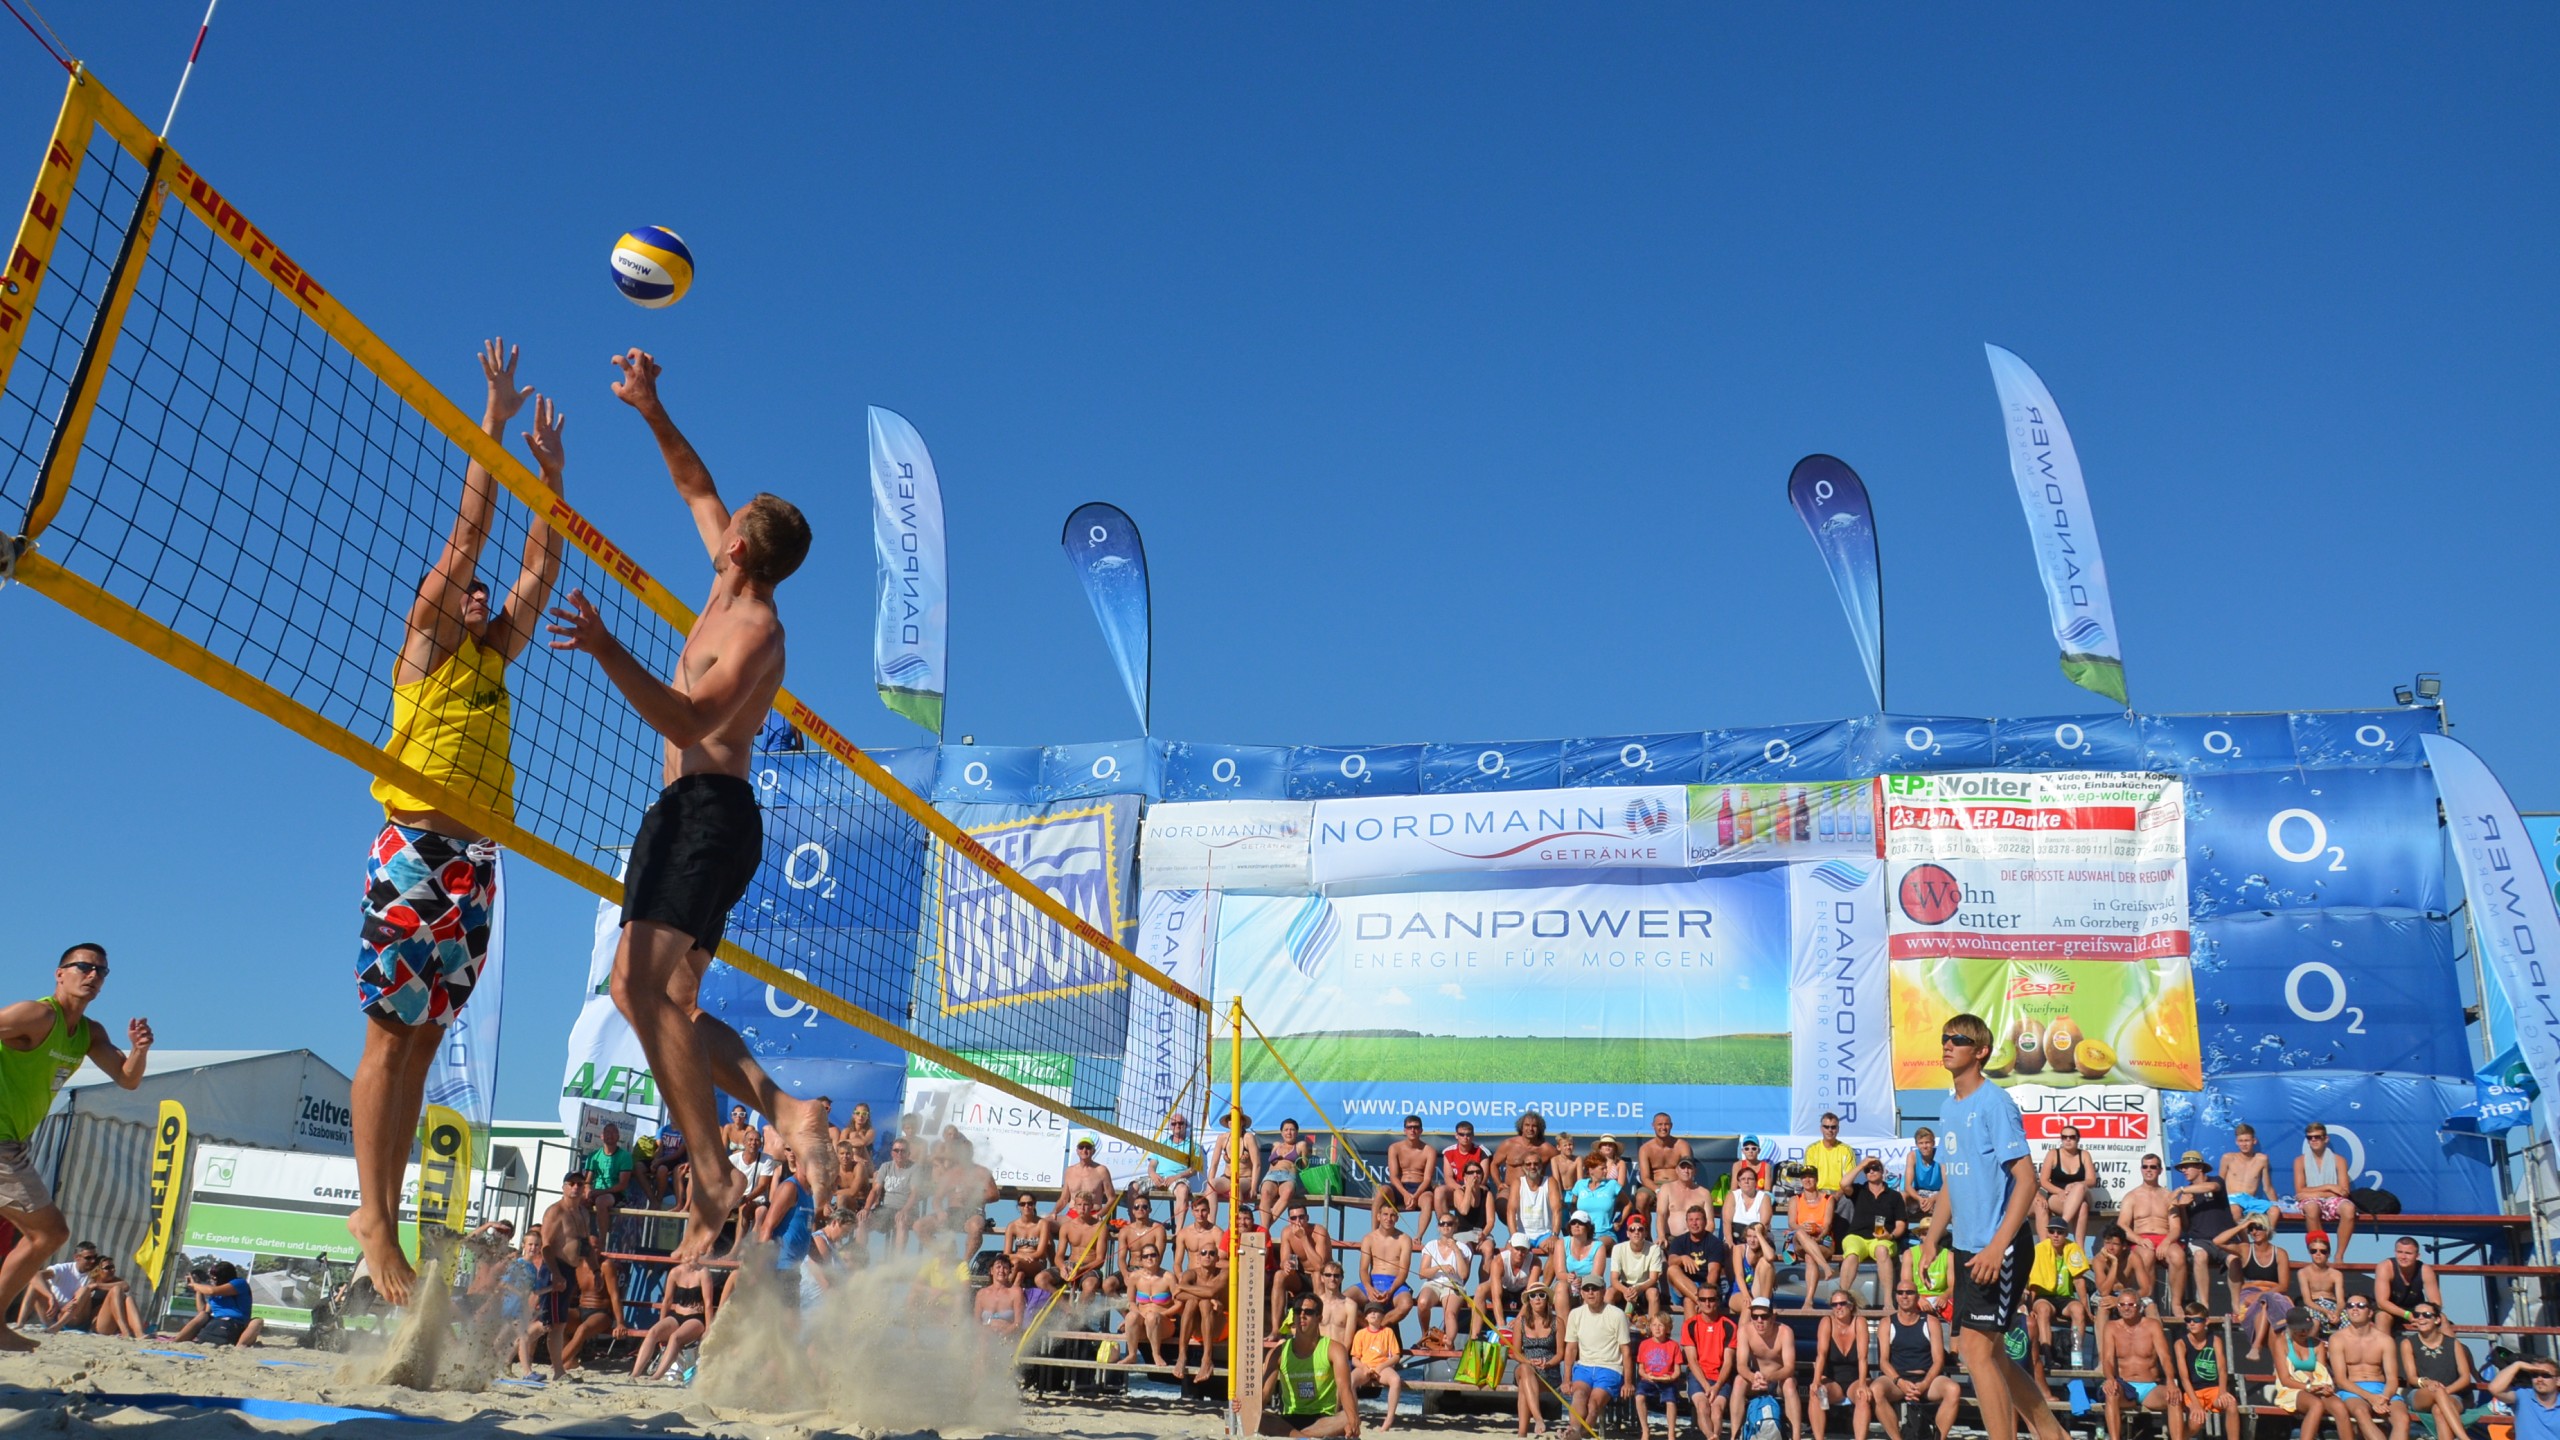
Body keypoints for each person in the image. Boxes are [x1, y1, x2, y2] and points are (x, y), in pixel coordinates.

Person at [548, 346, 822, 1265]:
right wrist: (649, 405)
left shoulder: (755, 631)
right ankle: (782, 1106)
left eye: (734, 521)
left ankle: (712, 1173)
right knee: (666, 1001)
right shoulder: (723, 576)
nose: (721, 515)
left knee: (632, 988)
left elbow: (689, 717)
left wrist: (605, 647)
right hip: (691, 815)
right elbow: (695, 484)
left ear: (741, 547)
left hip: (708, 816)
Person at [351, 340, 566, 1307]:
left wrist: (552, 479)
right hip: (416, 849)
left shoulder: (493, 656)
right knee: (386, 1041)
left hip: (476, 865)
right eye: (466, 591)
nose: (477, 596)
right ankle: (371, 1218)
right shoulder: (429, 645)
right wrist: (493, 422)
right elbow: (470, 536)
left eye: (483, 596)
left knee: (425, 1044)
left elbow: (539, 564)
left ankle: (388, 1215)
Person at [1915, 1012, 2066, 1440]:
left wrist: (1998, 1247)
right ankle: (2053, 1434)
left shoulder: (1995, 1103)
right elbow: (1952, 1182)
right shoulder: (1949, 1107)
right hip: (1968, 1248)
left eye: (1958, 1039)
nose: (1947, 1044)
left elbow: (2027, 1180)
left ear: (1981, 1051)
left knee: (1976, 1352)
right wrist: (1931, 1240)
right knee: (1992, 1354)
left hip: (2001, 1247)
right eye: (1945, 1037)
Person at [0, 943, 150, 1349]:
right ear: (59, 973)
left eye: (101, 971)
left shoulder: (88, 1032)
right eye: (83, 967)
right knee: (48, 1233)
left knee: (40, 1235)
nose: (93, 975)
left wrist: (139, 1050)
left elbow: (128, 1079)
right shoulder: (37, 1014)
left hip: (14, 1141)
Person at [1258, 1292, 1360, 1437]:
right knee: (1259, 1418)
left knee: (1347, 1417)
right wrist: (1246, 1407)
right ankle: (1303, 1437)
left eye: (1308, 1312)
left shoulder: (1335, 1349)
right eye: (1297, 1311)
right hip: (1290, 1418)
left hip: (1323, 1418)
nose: (1302, 1315)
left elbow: (1345, 1389)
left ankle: (1299, 1436)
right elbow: (1265, 1393)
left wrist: (1353, 1421)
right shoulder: (1278, 1353)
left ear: (1319, 1318)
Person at [1872, 1279, 1961, 1440]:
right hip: (1898, 1381)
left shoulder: (1931, 1322)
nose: (1904, 1296)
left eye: (1909, 1292)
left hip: (1927, 1380)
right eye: (1900, 1292)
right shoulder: (1887, 1323)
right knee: (1876, 1390)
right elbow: (1883, 1361)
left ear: (1917, 1296)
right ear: (1896, 1296)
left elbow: (1938, 1361)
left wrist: (1924, 1384)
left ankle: (1939, 1437)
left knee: (1953, 1389)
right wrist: (1900, 1382)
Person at [2099, 1287, 2182, 1440]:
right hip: (2124, 1386)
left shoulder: (2152, 1326)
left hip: (2149, 1387)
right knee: (2110, 1392)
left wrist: (2171, 1381)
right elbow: (2108, 1359)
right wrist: (2110, 1378)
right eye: (2122, 1304)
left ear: (2139, 1307)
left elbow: (2165, 1357)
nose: (2126, 1308)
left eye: (2131, 1305)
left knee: (2173, 1397)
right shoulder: (2111, 1327)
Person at [2325, 1294, 2405, 1440]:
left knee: (2402, 1419)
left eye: (2361, 1306)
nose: (2355, 1309)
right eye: (2350, 1306)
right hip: (2352, 1389)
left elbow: (2392, 1378)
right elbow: (2341, 1380)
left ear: (2370, 1313)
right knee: (2361, 1412)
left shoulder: (2385, 1340)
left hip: (2382, 1389)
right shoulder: (2337, 1339)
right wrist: (2371, 1398)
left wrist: (2384, 1397)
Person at [2399, 1299, 2476, 1440]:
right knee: (2437, 1393)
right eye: (2417, 1315)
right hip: (2421, 1394)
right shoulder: (2408, 1343)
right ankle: (2464, 1438)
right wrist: (2428, 1383)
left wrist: (2444, 1392)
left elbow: (2465, 1377)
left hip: (2451, 1394)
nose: (2421, 1318)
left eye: (2427, 1315)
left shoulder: (2454, 1344)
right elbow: (2412, 1378)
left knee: (2438, 1410)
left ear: (2437, 1319)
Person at [2118, 1154, 2189, 1306]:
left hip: (2165, 1237)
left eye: (2153, 1167)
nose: (2148, 1170)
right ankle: (2148, 1301)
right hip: (2141, 1238)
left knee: (2178, 1256)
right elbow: (2122, 1225)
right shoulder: (2132, 1196)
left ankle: (2176, 1303)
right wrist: (2139, 1240)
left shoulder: (2169, 1196)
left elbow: (2176, 1227)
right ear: (2141, 1169)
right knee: (2147, 1255)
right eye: (2145, 1166)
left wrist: (2166, 1242)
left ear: (2160, 1170)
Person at [1733, 1295, 1805, 1440]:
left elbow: (1789, 1367)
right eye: (1755, 1317)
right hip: (1756, 1379)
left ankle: (1796, 1436)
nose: (1759, 1321)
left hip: (1778, 1380)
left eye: (1764, 1316)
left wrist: (1769, 1377)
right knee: (1739, 1381)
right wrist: (1753, 1377)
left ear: (1773, 1317)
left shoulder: (1785, 1332)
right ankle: (1734, 1435)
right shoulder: (1745, 1331)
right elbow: (1741, 1365)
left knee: (1790, 1384)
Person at [1562, 1278, 1631, 1426]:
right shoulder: (1575, 1314)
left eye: (1595, 1289)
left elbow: (1625, 1351)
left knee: (1593, 1404)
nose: (1590, 1292)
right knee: (1579, 1396)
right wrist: (1567, 1379)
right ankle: (1575, 1431)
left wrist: (1628, 1382)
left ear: (1603, 1291)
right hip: (1584, 1366)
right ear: (1582, 1293)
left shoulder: (1617, 1314)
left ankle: (1577, 1433)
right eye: (1587, 1289)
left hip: (1610, 1368)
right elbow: (1571, 1348)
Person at [2026, 1217, 2092, 1372]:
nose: (2055, 1235)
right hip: (2044, 1296)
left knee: (2078, 1310)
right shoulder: (2040, 1250)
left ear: (2066, 1234)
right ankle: (2048, 1357)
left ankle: (2076, 1357)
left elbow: (2079, 1281)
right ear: (2048, 1233)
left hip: (2064, 1297)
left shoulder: (2072, 1248)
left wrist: (2086, 1308)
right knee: (2043, 1310)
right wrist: (2029, 1307)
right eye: (2051, 1231)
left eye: (2060, 1232)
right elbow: (2034, 1282)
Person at [629, 1254, 709, 1380]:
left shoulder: (703, 1273)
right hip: (677, 1314)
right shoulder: (675, 1272)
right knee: (653, 1332)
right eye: (689, 1255)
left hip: (696, 1317)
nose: (692, 1258)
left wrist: (709, 1328)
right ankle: (635, 1373)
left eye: (696, 1255)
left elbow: (708, 1303)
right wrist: (662, 1322)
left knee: (675, 1337)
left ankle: (657, 1376)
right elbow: (667, 1301)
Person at [2167, 1150, 2228, 1312]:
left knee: (2235, 1259)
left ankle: (2237, 1307)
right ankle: (2204, 1305)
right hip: (2200, 1241)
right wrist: (2182, 1207)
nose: (2183, 1170)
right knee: (2199, 1255)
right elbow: (2186, 1227)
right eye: (2182, 1167)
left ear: (2200, 1167)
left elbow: (2212, 1187)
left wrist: (2181, 1190)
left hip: (2224, 1240)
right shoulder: (2187, 1194)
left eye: (2187, 1166)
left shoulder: (2215, 1180)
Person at [1840, 1158, 1906, 1301]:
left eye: (1875, 1168)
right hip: (1857, 1236)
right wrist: (1862, 1165)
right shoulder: (1859, 1190)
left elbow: (1901, 1224)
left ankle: (1888, 1300)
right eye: (1867, 1170)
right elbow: (1844, 1184)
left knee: (1882, 1250)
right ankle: (1842, 1298)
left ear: (1882, 1171)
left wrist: (1891, 1236)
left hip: (1883, 1238)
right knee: (1852, 1253)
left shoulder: (1894, 1196)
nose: (1871, 1171)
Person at [1810, 1288, 1871, 1440]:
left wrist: (1862, 1384)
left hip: (1855, 1379)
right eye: (1834, 1304)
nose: (1838, 1307)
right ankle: (1819, 1438)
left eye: (1842, 1303)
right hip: (1833, 1382)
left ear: (1851, 1305)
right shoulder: (1827, 1322)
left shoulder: (1859, 1322)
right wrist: (1816, 1381)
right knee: (1818, 1394)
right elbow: (1821, 1354)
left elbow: (1863, 1357)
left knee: (1862, 1396)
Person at [2173, 1302, 2240, 1440]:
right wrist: (2195, 1404)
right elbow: (2184, 1378)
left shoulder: (2215, 1340)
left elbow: (2222, 1369)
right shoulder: (2180, 1344)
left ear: (2206, 1321)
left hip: (2213, 1389)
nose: (2192, 1323)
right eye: (2188, 1320)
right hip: (2193, 1391)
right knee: (2196, 1422)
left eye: (2197, 1320)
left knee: (2231, 1404)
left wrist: (2222, 1391)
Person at [2272, 1308, 2342, 1439]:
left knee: (2340, 1407)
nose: (2304, 1332)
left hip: (2316, 1387)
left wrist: (2326, 1387)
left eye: (2307, 1328)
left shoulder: (2317, 1344)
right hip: (2291, 1389)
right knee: (2316, 1405)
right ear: (2290, 1327)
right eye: (2299, 1329)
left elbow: (2322, 1374)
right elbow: (2285, 1380)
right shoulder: (2281, 1343)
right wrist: (2308, 1387)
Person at [1680, 1287, 1739, 1440]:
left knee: (1717, 1410)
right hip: (1699, 1376)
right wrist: (1707, 1386)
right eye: (1703, 1299)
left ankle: (1713, 1437)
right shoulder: (1690, 1325)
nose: (1707, 1303)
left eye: (1711, 1299)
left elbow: (1728, 1362)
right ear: (1698, 1302)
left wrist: (1717, 1386)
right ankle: (1711, 1436)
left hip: (1721, 1376)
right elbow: (1692, 1361)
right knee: (1702, 1406)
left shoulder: (1729, 1326)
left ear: (1718, 1301)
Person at [2295, 1122, 2359, 1258]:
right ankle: (2320, 1252)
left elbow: (2344, 1191)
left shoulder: (2339, 1160)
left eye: (2317, 1137)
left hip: (2332, 1199)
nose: (2313, 1140)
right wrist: (2329, 1186)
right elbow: (2300, 1191)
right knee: (2311, 1208)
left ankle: (2339, 1255)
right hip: (2313, 1200)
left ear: (2326, 1139)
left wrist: (2313, 1193)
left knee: (2348, 1209)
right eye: (2310, 1137)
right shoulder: (2299, 1161)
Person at [1352, 1198, 1416, 1327]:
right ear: (1378, 1216)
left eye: (1392, 1215)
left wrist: (1391, 1291)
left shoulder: (1404, 1239)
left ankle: (1380, 1327)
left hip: (1395, 1283)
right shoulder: (1369, 1238)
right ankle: (1367, 1328)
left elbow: (1403, 1271)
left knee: (1406, 1304)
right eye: (1385, 1214)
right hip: (1373, 1281)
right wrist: (1369, 1288)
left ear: (1397, 1218)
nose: (1388, 1218)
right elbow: (1363, 1269)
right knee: (1345, 1299)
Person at [169, 1261, 262, 1348]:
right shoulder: (216, 1292)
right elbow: (203, 1310)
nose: (212, 1280)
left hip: (238, 1324)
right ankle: (177, 1341)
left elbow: (211, 1291)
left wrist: (194, 1285)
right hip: (217, 1323)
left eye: (214, 1278)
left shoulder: (239, 1283)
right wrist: (198, 1288)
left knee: (257, 1321)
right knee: (203, 1315)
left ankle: (240, 1346)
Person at [1510, 1284, 1563, 1437]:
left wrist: (1548, 1363)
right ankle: (1538, 1418)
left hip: (1548, 1371)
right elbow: (1516, 1352)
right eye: (1533, 1296)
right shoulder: (1520, 1322)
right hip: (1527, 1366)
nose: (1537, 1299)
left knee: (1524, 1387)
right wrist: (1529, 1362)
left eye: (1541, 1295)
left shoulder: (1557, 1322)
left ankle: (1522, 1434)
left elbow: (1560, 1354)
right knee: (1525, 1370)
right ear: (1529, 1301)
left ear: (1547, 1299)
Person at [1493, 1113, 1563, 1227]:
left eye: (1534, 1126)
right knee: (1501, 1204)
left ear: (1539, 1129)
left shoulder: (1547, 1149)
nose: (1530, 1129)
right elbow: (1494, 1164)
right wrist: (1499, 1183)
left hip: (1536, 1190)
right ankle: (1516, 1232)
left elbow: (1563, 1165)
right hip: (1510, 1188)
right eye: (1527, 1125)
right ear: (1521, 1127)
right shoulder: (1508, 1144)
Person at [1630, 1310, 1689, 1440]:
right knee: (1639, 1397)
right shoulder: (1644, 1344)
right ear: (1650, 1327)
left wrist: (1671, 1378)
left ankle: (1671, 1433)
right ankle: (1645, 1430)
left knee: (1671, 1401)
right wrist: (1647, 1376)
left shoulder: (1673, 1346)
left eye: (1661, 1325)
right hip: (1649, 1379)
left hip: (1667, 1380)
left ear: (1668, 1328)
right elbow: (1640, 1369)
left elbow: (1677, 1371)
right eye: (1654, 1325)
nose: (1657, 1328)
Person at [1413, 1216, 1471, 1345]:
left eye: (1449, 1223)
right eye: (1442, 1223)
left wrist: (1456, 1250)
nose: (1445, 1226)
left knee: (1450, 1313)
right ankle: (1425, 1335)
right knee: (1422, 1303)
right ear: (1438, 1227)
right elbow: (1422, 1273)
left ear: (1455, 1227)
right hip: (1433, 1283)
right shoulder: (1431, 1245)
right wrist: (1440, 1267)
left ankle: (1449, 1342)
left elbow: (1463, 1274)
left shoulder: (1463, 1248)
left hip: (1453, 1285)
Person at [1349, 1303, 1405, 1430]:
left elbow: (1396, 1356)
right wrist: (1364, 1368)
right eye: (1370, 1312)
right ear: (1366, 1317)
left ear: (1382, 1316)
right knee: (1350, 1381)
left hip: (1383, 1368)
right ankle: (1354, 1416)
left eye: (1376, 1311)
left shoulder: (1388, 1332)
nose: (1373, 1314)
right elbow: (1354, 1359)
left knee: (1395, 1380)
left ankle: (1389, 1418)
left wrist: (1381, 1367)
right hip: (1365, 1368)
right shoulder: (1360, 1334)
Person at [1665, 1202, 1729, 1313]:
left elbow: (1713, 1272)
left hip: (1705, 1285)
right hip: (1682, 1286)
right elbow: (1671, 1261)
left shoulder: (1714, 1243)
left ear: (1705, 1222)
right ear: (1687, 1222)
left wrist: (1705, 1293)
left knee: (1689, 1301)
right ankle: (1701, 1301)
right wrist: (1682, 1258)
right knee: (1672, 1269)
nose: (1694, 1223)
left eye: (1698, 1219)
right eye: (1691, 1220)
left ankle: (1700, 1301)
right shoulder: (1679, 1241)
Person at [2038, 1127, 2097, 1248]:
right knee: (2083, 1206)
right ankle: (2080, 1249)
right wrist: (2060, 1191)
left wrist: (2075, 1185)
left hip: (2081, 1194)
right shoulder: (2053, 1154)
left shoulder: (2084, 1155)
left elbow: (2091, 1180)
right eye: (2064, 1137)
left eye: (2072, 1137)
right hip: (2058, 1196)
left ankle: (2061, 1224)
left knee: (2079, 1187)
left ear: (2078, 1139)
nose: (2068, 1140)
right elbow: (2043, 1181)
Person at [16, 1242, 97, 1328]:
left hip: (74, 1317)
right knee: (34, 1285)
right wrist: (50, 1297)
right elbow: (36, 1276)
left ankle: (58, 1326)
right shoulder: (64, 1268)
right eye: (88, 1258)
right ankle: (20, 1323)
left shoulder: (96, 1273)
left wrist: (96, 1284)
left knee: (84, 1290)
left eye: (95, 1257)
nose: (93, 1261)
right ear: (77, 1257)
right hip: (53, 1313)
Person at [2374, 1235, 2441, 1333]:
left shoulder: (2425, 1270)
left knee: (2441, 1318)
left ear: (2417, 1256)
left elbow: (2436, 1303)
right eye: (2399, 1252)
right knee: (2382, 1317)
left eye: (2408, 1253)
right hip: (2389, 1310)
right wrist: (2407, 1315)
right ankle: (2383, 1344)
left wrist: (2424, 1315)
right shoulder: (2385, 1267)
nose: (2403, 1257)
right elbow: (2382, 1302)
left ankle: (2448, 1343)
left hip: (2416, 1311)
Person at [1608, 1210, 1666, 1319]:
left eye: (1640, 1229)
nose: (1636, 1232)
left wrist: (1638, 1289)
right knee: (1609, 1293)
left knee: (1653, 1293)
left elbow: (1653, 1279)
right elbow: (1614, 1279)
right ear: (1627, 1233)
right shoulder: (1618, 1248)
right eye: (1632, 1229)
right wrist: (1626, 1291)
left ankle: (1653, 1327)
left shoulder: (1654, 1249)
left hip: (1645, 1287)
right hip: (1624, 1286)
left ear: (1645, 1233)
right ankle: (1611, 1327)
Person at [586, 1121, 637, 1242]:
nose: (610, 1135)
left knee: (601, 1201)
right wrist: (587, 1192)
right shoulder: (593, 1156)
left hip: (616, 1194)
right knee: (577, 1201)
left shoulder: (625, 1156)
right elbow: (587, 1181)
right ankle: (581, 1237)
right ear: (601, 1136)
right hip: (597, 1192)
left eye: (614, 1132)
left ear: (618, 1137)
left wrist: (599, 1192)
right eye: (607, 1132)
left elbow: (622, 1185)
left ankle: (602, 1241)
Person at [2488, 1359, 2560, 1440]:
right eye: (2535, 1375)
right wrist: (2518, 1365)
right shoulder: (2523, 1396)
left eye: (2546, 1375)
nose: (2539, 1379)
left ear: (2558, 1381)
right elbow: (2494, 1389)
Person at [1264, 1118, 1319, 1216]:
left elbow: (1304, 1168)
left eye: (1292, 1129)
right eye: (1286, 1130)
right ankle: (1266, 1225)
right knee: (1265, 1193)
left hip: (1287, 1176)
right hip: (1271, 1176)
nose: (1289, 1132)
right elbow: (1270, 1165)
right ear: (1281, 1133)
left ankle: (1266, 1225)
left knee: (1287, 1192)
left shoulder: (1300, 1145)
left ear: (1296, 1132)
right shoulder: (1276, 1145)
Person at [2296, 1231, 2349, 1332]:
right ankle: (2311, 1342)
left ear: (2328, 1253)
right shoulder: (2303, 1273)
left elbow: (2341, 1301)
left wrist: (2337, 1313)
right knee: (2314, 1321)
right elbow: (2307, 1300)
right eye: (2313, 1251)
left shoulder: (2336, 1274)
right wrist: (2325, 1311)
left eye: (2323, 1251)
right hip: (2314, 1305)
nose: (2318, 1254)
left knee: (2349, 1322)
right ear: (2309, 1252)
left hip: (2333, 1305)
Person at [1805, 1114, 1858, 1196]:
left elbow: (1849, 1180)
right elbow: (1808, 1178)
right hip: (1818, 1193)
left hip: (1840, 1193)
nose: (1830, 1130)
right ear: (1821, 1129)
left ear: (1838, 1129)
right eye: (1826, 1127)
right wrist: (1818, 1197)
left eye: (1833, 1127)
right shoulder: (1812, 1149)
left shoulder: (1847, 1150)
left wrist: (1837, 1196)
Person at [1903, 1128, 1944, 1215]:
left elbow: (1947, 1185)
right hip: (1919, 1193)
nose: (1924, 1146)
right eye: (1921, 1143)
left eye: (1927, 1142)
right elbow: (1908, 1186)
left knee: (1952, 1197)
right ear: (1917, 1144)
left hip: (1938, 1193)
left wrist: (1933, 1199)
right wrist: (1920, 1199)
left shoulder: (1941, 1155)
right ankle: (1901, 1223)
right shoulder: (1912, 1156)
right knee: (1902, 1196)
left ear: (1933, 1143)